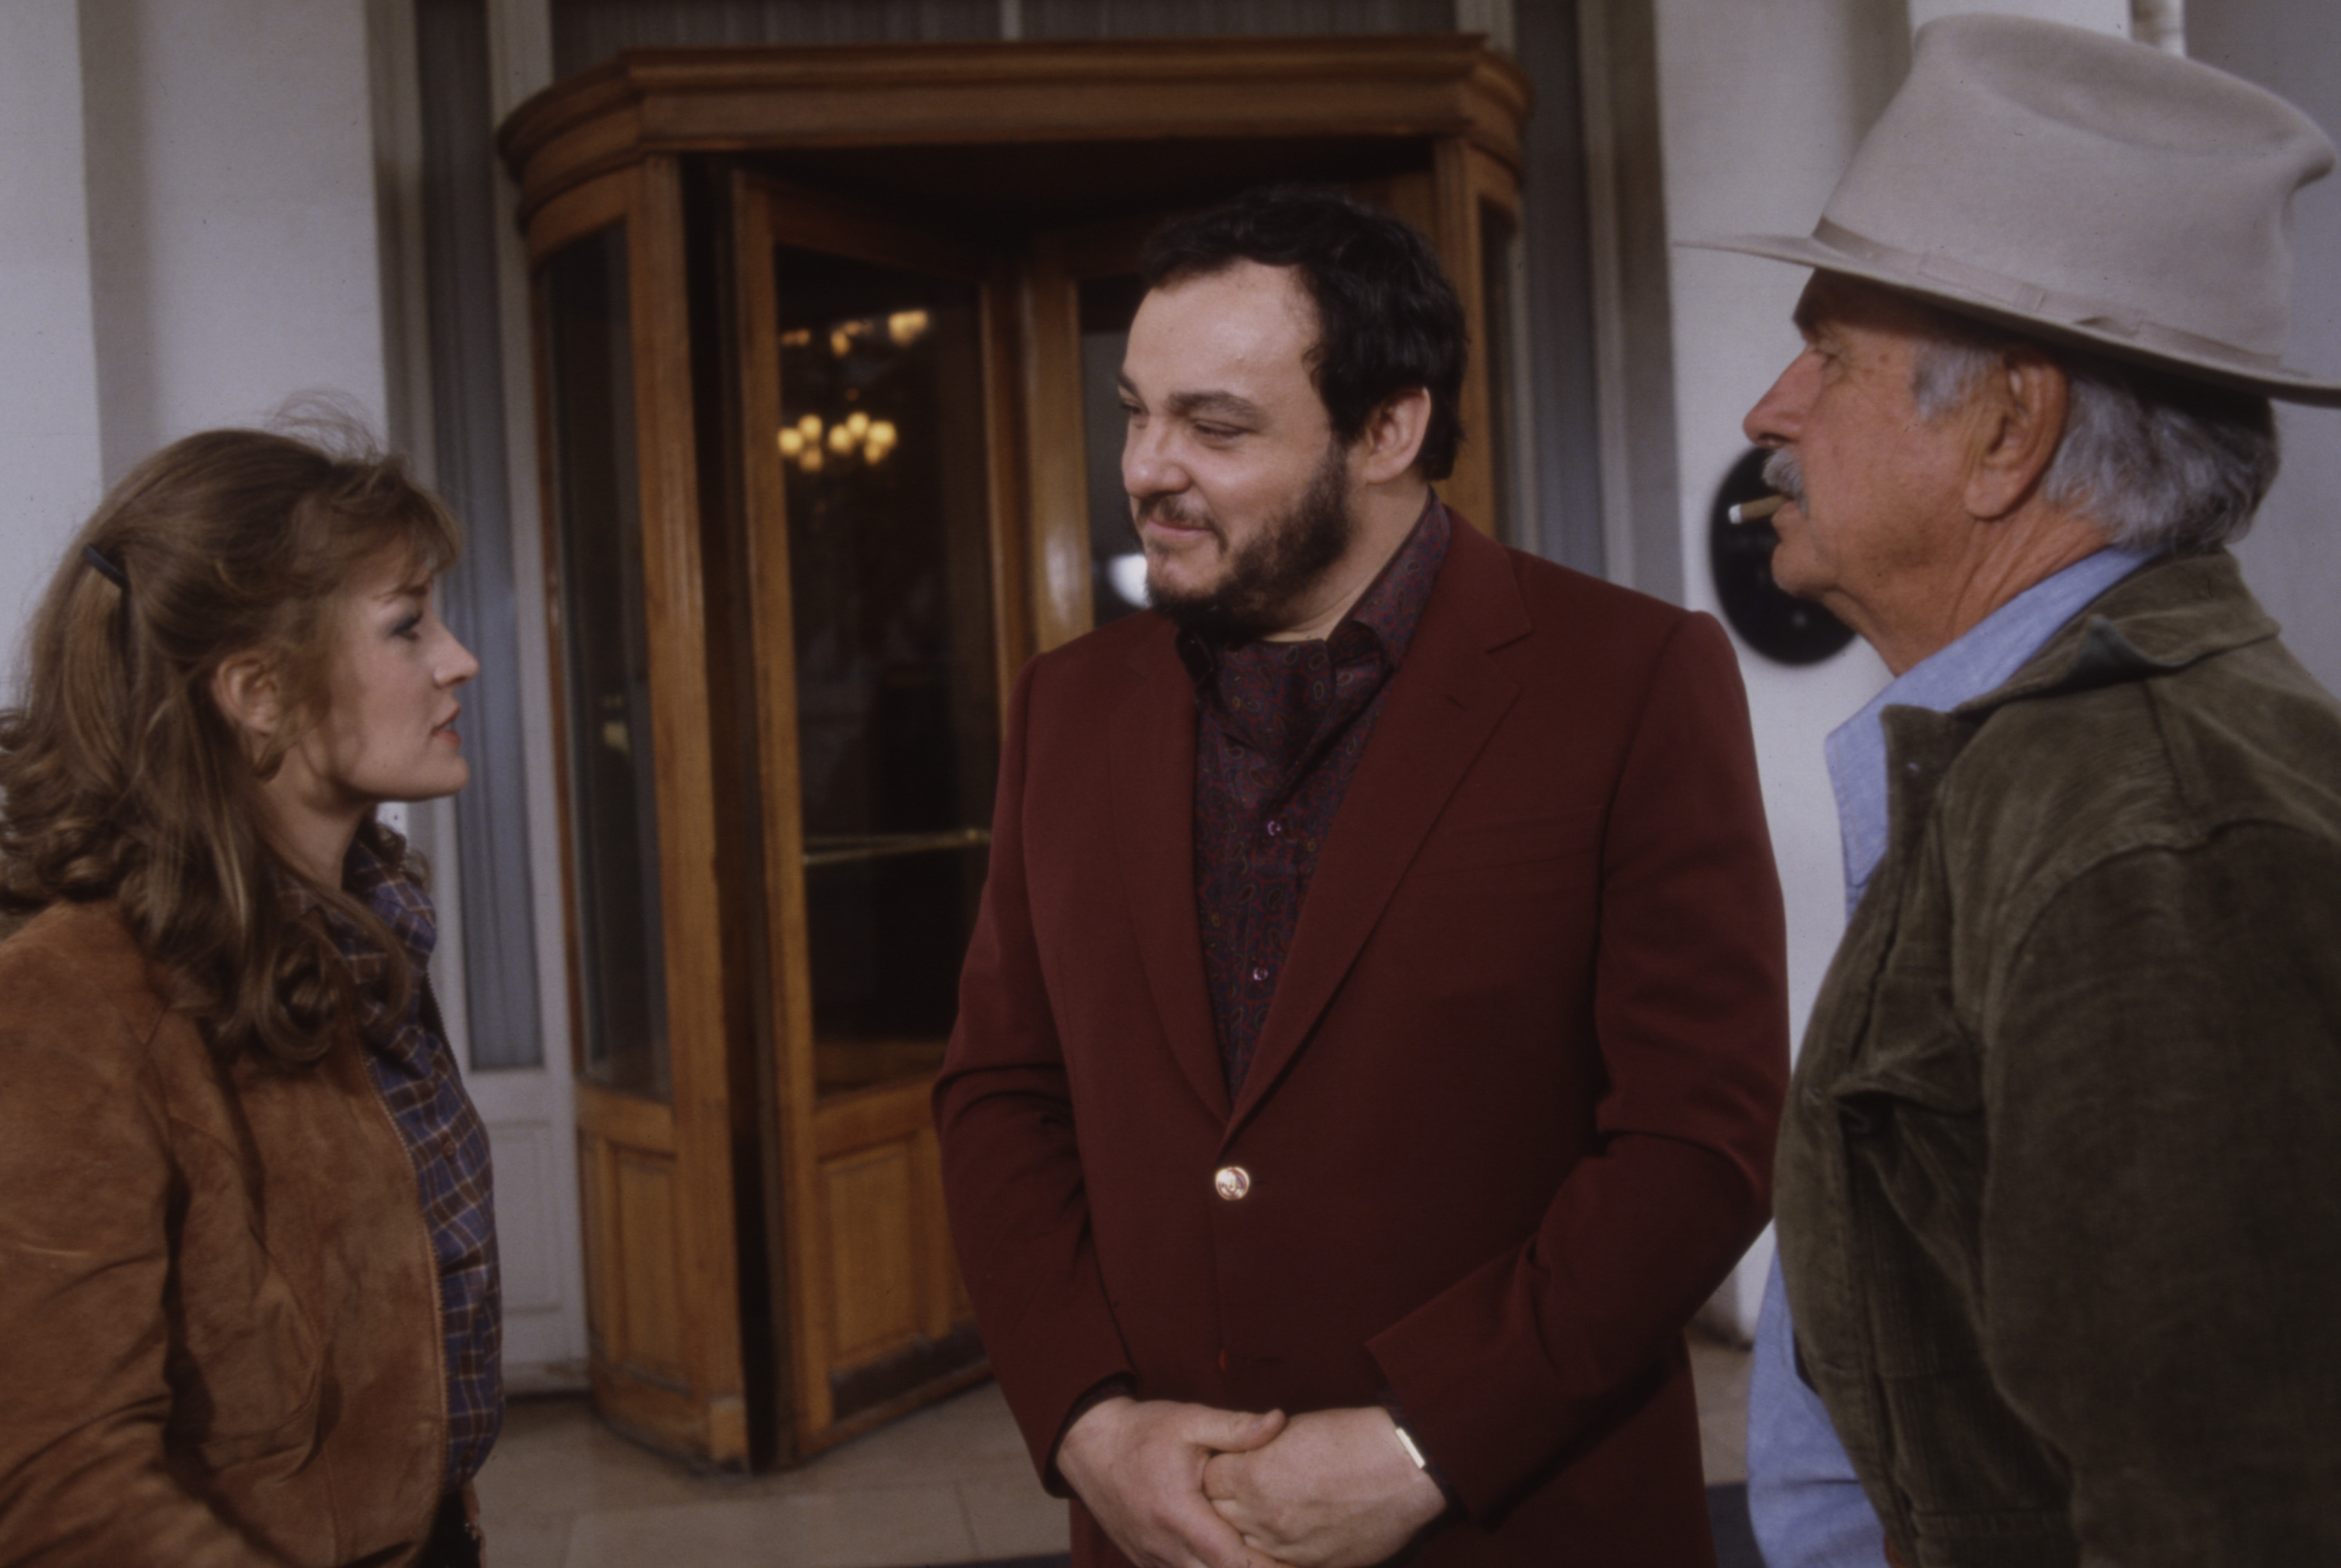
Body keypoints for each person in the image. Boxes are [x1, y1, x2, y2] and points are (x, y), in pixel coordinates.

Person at [933, 186, 1789, 1568]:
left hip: (1519, 1521)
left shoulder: (1631, 679)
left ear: (1391, 426)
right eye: (1134, 412)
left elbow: (1698, 1142)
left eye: (1214, 426)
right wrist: (1090, 1421)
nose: (1149, 467)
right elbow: (999, 1093)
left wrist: (1421, 1441)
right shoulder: (1066, 707)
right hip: (1162, 1537)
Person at [1693, 15, 2341, 1565]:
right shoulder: (2023, 759)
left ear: (2005, 430)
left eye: (1832, 356)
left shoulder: (2155, 833)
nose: (1768, 412)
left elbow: (2225, 1507)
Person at [0, 425, 500, 1567]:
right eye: (407, 623)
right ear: (257, 691)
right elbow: (62, 1495)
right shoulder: (65, 1010)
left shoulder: (366, 939)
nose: (458, 658)